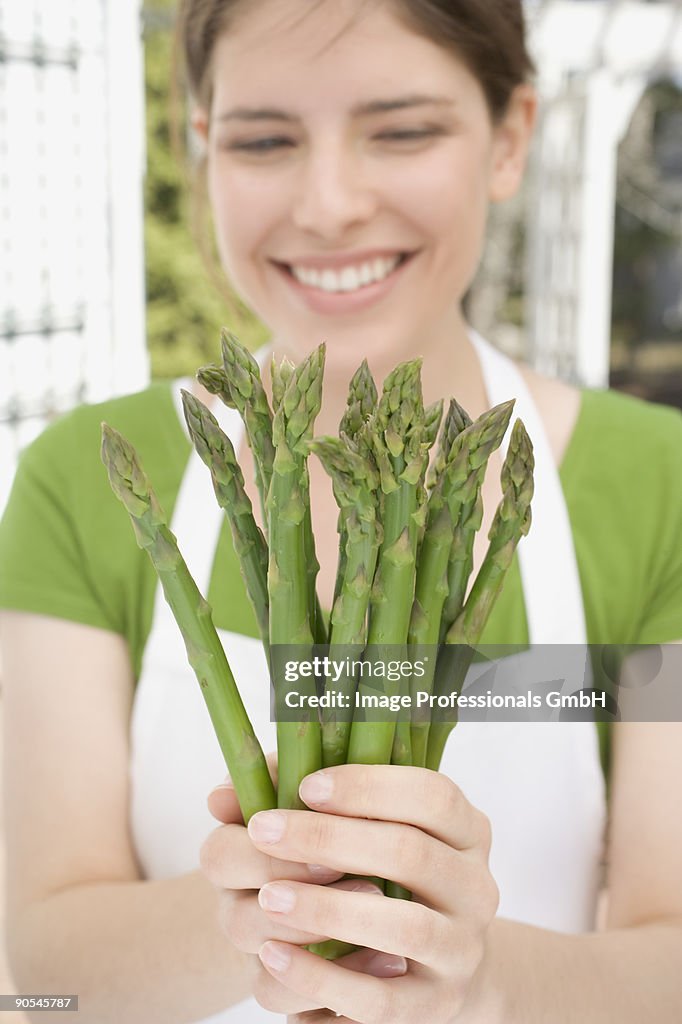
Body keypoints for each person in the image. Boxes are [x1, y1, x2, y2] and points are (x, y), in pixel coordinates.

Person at [1, 1, 682, 1021]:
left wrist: (481, 982)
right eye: (265, 138)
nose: (328, 204)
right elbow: (46, 979)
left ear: (508, 140)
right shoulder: (85, 478)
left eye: (403, 130)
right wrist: (280, 902)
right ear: (204, 148)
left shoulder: (658, 486)